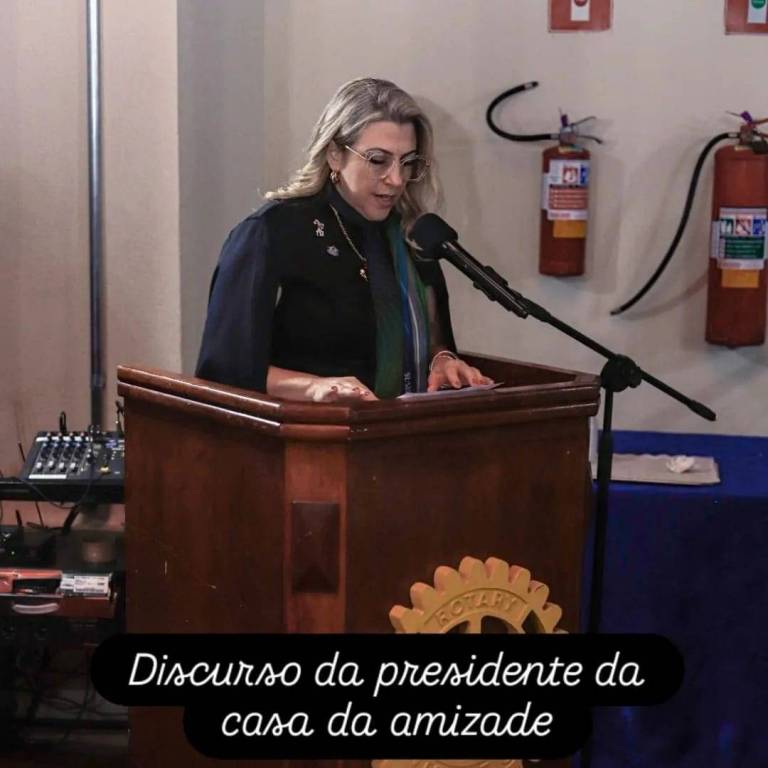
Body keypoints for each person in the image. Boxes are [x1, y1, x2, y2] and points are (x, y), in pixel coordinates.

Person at [195, 77, 492, 402]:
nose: (396, 179)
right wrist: (313, 387)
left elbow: (435, 341)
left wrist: (442, 361)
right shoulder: (271, 231)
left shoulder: (412, 234)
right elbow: (223, 369)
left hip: (403, 427)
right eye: (378, 160)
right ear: (335, 154)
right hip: (304, 429)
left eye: (408, 162)